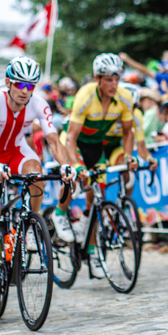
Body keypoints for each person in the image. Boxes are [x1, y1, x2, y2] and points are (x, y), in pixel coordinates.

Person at [0, 57, 75, 307]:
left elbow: (53, 140)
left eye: (30, 86)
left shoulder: (39, 103)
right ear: (8, 82)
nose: (25, 91)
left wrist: (65, 165)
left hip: (17, 151)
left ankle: (30, 224)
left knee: (36, 172)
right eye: (20, 84)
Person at [57, 53, 136, 277]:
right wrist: (76, 165)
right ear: (97, 79)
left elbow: (128, 132)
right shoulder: (85, 94)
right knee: (74, 177)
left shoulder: (124, 98)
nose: (114, 84)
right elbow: (71, 138)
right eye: (108, 79)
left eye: (117, 79)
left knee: (96, 199)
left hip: (96, 147)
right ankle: (60, 213)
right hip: (75, 142)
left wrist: (128, 156)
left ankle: (92, 251)